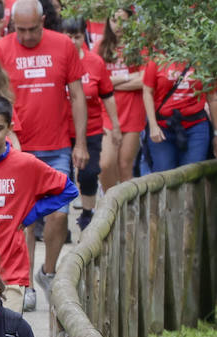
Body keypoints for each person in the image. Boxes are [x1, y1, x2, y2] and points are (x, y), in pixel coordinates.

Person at [0, 0, 88, 291]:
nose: (26, 36)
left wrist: (80, 142)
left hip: (56, 145)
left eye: (32, 29)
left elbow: (78, 95)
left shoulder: (63, 45)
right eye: (20, 30)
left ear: (43, 20)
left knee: (59, 213)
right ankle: (25, 286)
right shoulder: (1, 49)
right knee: (25, 220)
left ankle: (47, 272)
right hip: (18, 146)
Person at [0, 94, 78, 312]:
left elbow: (68, 189)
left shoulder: (26, 164)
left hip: (12, 272)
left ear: (10, 128)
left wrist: (31, 214)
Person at [62, 18, 119, 231]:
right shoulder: (57, 61)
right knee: (62, 176)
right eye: (67, 36)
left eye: (76, 36)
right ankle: (59, 220)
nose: (72, 41)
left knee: (88, 172)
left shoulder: (95, 62)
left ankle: (87, 214)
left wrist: (115, 126)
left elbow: (108, 95)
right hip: (61, 129)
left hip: (92, 128)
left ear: (83, 37)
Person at [96, 8, 145, 190]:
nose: (118, 26)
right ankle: (110, 202)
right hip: (106, 112)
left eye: (123, 21)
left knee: (125, 166)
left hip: (133, 111)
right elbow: (98, 83)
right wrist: (129, 78)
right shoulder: (100, 47)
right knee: (106, 164)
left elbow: (144, 81)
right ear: (108, 21)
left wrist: (113, 82)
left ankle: (128, 214)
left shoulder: (139, 46)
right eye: (114, 20)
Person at [141, 58, 217, 173]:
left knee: (193, 174)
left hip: (196, 127)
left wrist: (216, 133)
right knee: (164, 176)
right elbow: (147, 91)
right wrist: (152, 125)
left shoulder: (203, 59)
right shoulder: (157, 60)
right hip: (163, 127)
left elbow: (212, 99)